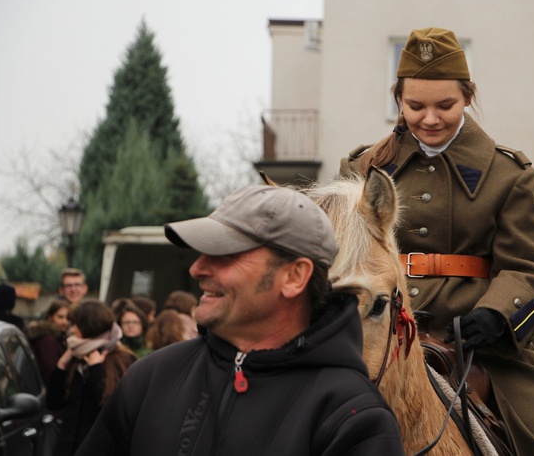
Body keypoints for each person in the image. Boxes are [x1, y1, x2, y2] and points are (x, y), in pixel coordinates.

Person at [340, 26, 534, 455]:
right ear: (399, 102)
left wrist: (497, 315)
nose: (430, 118)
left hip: (475, 344)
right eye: (415, 106)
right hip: (375, 333)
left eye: (445, 105)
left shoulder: (509, 175)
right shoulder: (361, 168)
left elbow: (532, 267)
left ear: (468, 97)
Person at [76, 185, 404, 455]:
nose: (197, 269)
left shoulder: (353, 419)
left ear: (294, 276)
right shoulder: (150, 378)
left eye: (226, 254)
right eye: (203, 252)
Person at [46, 300, 137, 456]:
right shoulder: (76, 355)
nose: (71, 330)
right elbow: (54, 403)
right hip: (68, 448)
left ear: (91, 327)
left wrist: (96, 369)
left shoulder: (123, 360)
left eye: (76, 325)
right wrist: (61, 365)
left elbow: (112, 409)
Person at [26, 299, 70, 386]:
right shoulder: (47, 341)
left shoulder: (59, 337)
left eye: (68, 318)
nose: (65, 322)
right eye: (60, 317)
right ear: (50, 317)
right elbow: (50, 375)